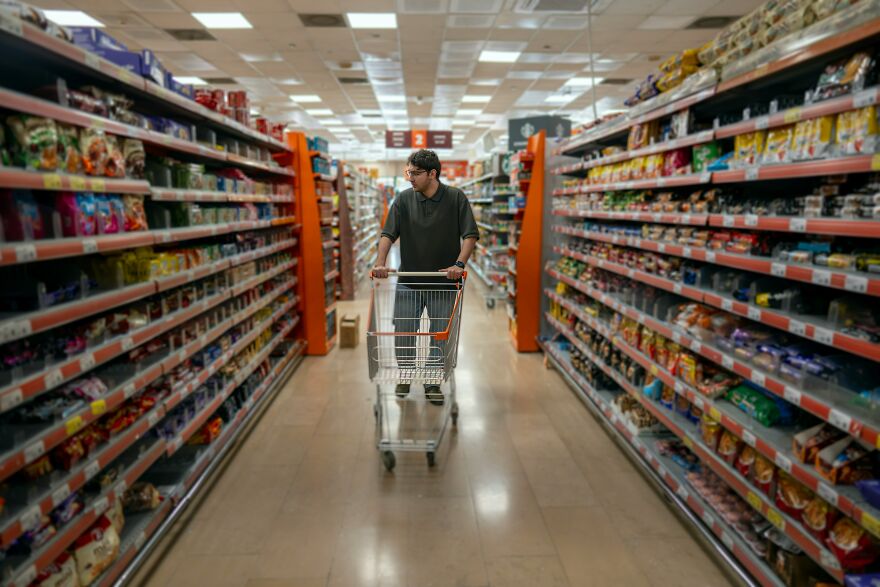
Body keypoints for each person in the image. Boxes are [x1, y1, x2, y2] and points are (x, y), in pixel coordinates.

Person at [373, 149, 479, 405]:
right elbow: (388, 234)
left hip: (445, 282)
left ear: (433, 174)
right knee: (405, 331)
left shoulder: (456, 198)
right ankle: (406, 374)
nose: (410, 178)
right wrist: (380, 262)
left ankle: (432, 381)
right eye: (408, 172)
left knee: (440, 335)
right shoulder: (403, 200)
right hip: (410, 280)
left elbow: (470, 235)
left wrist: (459, 264)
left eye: (415, 173)